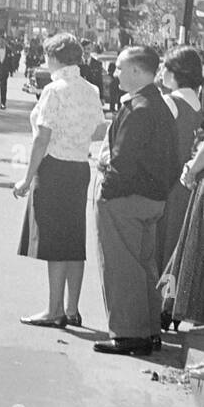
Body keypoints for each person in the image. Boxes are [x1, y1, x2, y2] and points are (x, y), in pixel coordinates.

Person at [92, 46, 182, 355]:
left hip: (125, 198)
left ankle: (129, 334)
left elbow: (123, 161)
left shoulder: (140, 108)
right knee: (144, 266)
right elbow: (173, 159)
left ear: (136, 71)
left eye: (118, 68)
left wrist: (107, 190)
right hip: (152, 198)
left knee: (121, 266)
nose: (114, 73)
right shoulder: (157, 104)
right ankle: (147, 330)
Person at [13, 33, 104, 329]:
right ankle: (72, 308)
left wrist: (26, 178)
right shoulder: (90, 89)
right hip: (79, 166)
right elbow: (99, 130)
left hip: (53, 168)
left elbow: (42, 136)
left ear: (54, 58)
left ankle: (54, 310)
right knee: (74, 240)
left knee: (53, 241)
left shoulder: (54, 89)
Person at [154, 47, 204, 317]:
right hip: (193, 186)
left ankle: (163, 302)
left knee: (164, 246)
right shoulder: (198, 104)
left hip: (171, 183)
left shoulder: (170, 102)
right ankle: (172, 301)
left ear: (174, 73)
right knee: (181, 245)